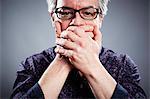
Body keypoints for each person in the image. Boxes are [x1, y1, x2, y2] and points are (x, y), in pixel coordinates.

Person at [11, 0, 146, 98]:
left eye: (88, 13)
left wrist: (92, 65)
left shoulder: (122, 64)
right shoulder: (32, 65)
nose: (77, 22)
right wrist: (64, 59)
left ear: (100, 20)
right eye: (65, 12)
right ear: (53, 18)